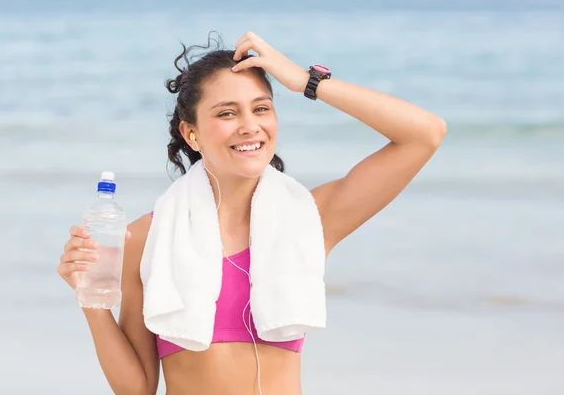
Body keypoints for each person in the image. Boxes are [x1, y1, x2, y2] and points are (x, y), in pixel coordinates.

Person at [58, 31, 446, 395]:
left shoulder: (310, 218)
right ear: (191, 134)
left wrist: (304, 82)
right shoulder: (148, 238)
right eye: (227, 113)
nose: (250, 126)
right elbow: (137, 387)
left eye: (261, 108)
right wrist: (90, 298)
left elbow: (424, 134)